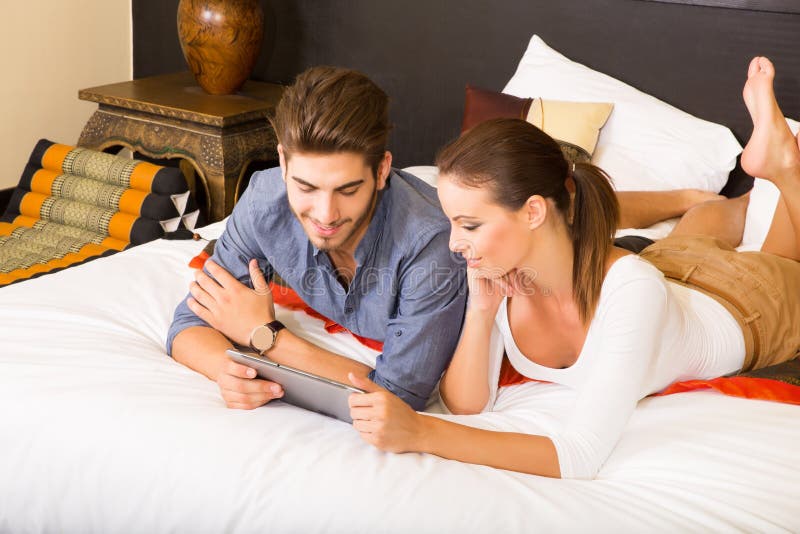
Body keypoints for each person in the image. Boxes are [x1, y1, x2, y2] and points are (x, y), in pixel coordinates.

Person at [345, 56, 800, 479]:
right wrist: (481, 314)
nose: (454, 243)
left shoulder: (633, 288)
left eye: (470, 224)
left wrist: (420, 432)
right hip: (669, 264)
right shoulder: (504, 271)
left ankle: (786, 170)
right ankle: (750, 191)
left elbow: (580, 455)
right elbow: (466, 406)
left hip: (743, 305)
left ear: (534, 212)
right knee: (707, 217)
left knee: (782, 259)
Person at [166, 66, 468, 411]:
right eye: (306, 187)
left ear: (382, 170)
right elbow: (189, 322)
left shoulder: (432, 242)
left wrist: (267, 335)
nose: (326, 215)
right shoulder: (265, 201)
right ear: (283, 162)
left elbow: (398, 398)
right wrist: (228, 371)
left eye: (348, 190)